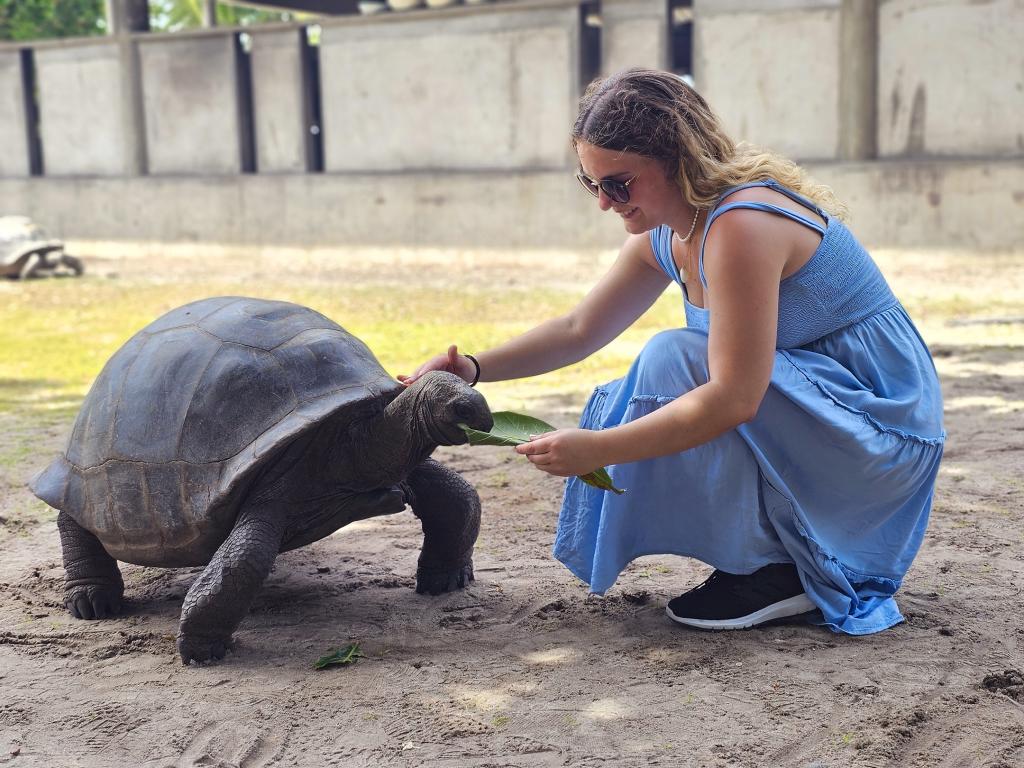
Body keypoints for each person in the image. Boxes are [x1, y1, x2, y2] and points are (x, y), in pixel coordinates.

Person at [400, 68, 944, 635]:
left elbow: (735, 398)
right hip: (820, 415)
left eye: (619, 184)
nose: (606, 205)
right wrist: (472, 369)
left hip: (881, 432)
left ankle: (781, 570)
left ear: (677, 160)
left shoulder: (742, 225)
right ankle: (766, 560)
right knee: (682, 358)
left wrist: (600, 448)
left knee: (679, 357)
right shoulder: (670, 231)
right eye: (593, 184)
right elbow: (579, 328)